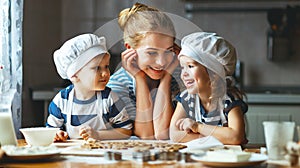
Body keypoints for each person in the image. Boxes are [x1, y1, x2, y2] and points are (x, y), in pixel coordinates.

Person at [107, 3, 183, 140]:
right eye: (152, 53)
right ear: (129, 48)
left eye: (168, 51)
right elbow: (146, 136)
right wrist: (139, 79)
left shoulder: (179, 77)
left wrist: (166, 78)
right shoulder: (117, 86)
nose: (162, 62)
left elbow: (163, 133)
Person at [46, 33, 132, 141]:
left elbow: (126, 131)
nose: (105, 73)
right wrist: (58, 135)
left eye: (106, 66)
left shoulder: (109, 99)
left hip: (102, 154)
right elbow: (50, 131)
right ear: (74, 75)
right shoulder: (62, 101)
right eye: (97, 68)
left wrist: (98, 135)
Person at [169, 32, 248, 145]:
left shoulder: (229, 100)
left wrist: (197, 127)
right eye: (182, 67)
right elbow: (175, 135)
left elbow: (236, 137)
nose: (184, 74)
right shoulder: (186, 98)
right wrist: (221, 137)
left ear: (213, 73)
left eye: (190, 66)